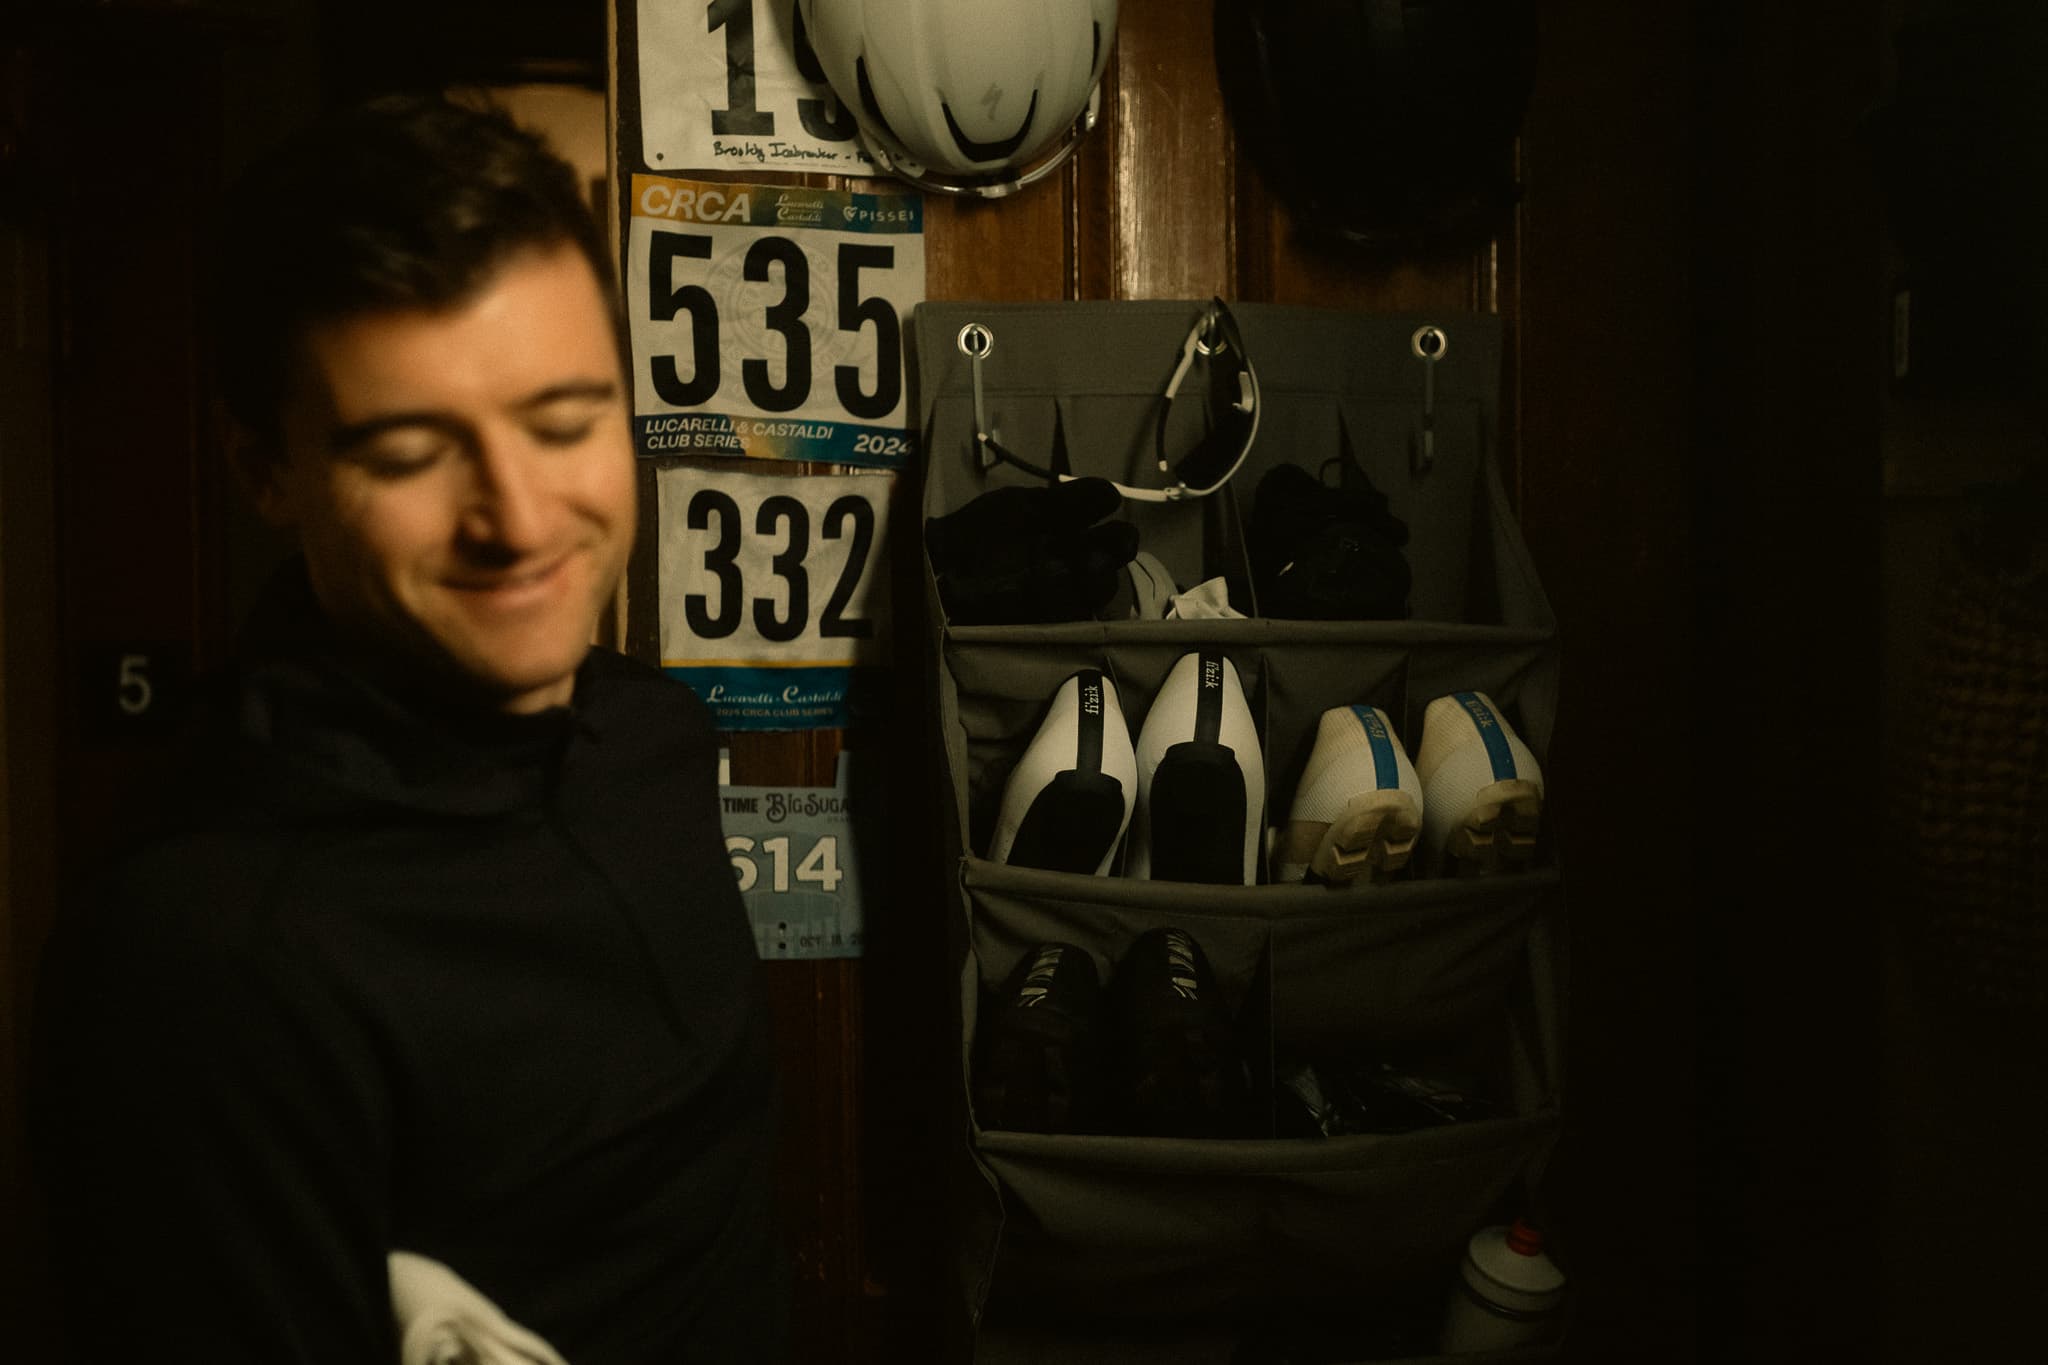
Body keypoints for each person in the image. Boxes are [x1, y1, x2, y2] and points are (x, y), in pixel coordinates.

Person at [32, 95, 789, 1363]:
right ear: (266, 468)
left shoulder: (652, 733)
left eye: (565, 422)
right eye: (408, 452)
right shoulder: (204, 952)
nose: (518, 516)